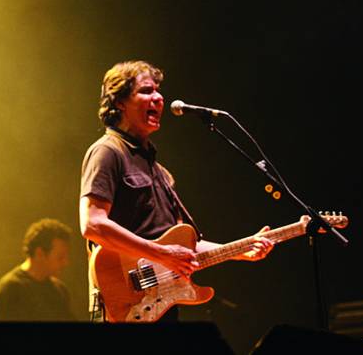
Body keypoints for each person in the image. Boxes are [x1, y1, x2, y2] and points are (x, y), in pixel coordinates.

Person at [79, 60, 273, 322]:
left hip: (160, 305)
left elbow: (184, 246)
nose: (158, 98)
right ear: (120, 102)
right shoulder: (107, 151)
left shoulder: (160, 171)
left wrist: (240, 250)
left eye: (158, 91)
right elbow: (92, 224)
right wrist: (161, 254)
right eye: (146, 91)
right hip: (125, 305)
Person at [0, 218, 75, 321]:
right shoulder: (11, 289)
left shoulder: (60, 290)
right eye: (60, 257)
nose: (66, 263)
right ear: (40, 254)